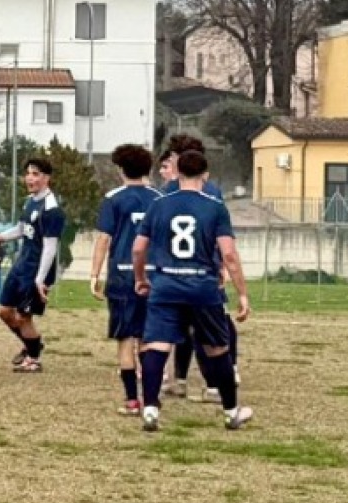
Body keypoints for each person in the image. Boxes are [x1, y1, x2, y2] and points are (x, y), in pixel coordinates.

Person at [133, 149, 253, 432]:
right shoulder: (214, 207)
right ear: (206, 175)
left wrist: (141, 277)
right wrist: (243, 293)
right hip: (202, 286)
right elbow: (230, 255)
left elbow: (138, 248)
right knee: (217, 348)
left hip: (165, 285)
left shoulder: (159, 205)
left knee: (157, 345)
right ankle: (230, 412)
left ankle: (150, 409)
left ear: (177, 173)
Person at [157, 136, 240, 403]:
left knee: (196, 328)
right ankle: (199, 381)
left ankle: (190, 381)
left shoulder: (169, 192)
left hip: (178, 271)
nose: (168, 164)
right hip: (204, 271)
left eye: (171, 159)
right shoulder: (212, 191)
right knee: (204, 328)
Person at [90, 144, 163, 416]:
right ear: (148, 169)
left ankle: (132, 400)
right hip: (154, 277)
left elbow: (103, 239)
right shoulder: (159, 198)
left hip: (122, 276)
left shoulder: (113, 199)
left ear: (120, 169)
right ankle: (150, 398)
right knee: (148, 339)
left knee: (124, 339)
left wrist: (95, 274)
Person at [0, 158, 65, 374]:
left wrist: (40, 279)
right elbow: (21, 229)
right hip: (21, 264)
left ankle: (33, 359)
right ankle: (32, 345)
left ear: (46, 178)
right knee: (4, 311)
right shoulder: (30, 201)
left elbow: (50, 247)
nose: (30, 178)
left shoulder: (52, 209)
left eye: (35, 174)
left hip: (36, 269)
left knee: (24, 316)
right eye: (28, 174)